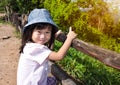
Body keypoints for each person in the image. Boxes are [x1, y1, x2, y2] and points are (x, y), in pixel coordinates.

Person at [17, 8, 77, 85]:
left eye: (47, 32)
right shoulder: (35, 49)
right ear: (30, 32)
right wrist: (69, 38)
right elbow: (59, 56)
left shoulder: (29, 45)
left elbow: (46, 38)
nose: (43, 36)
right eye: (39, 32)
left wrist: (54, 35)